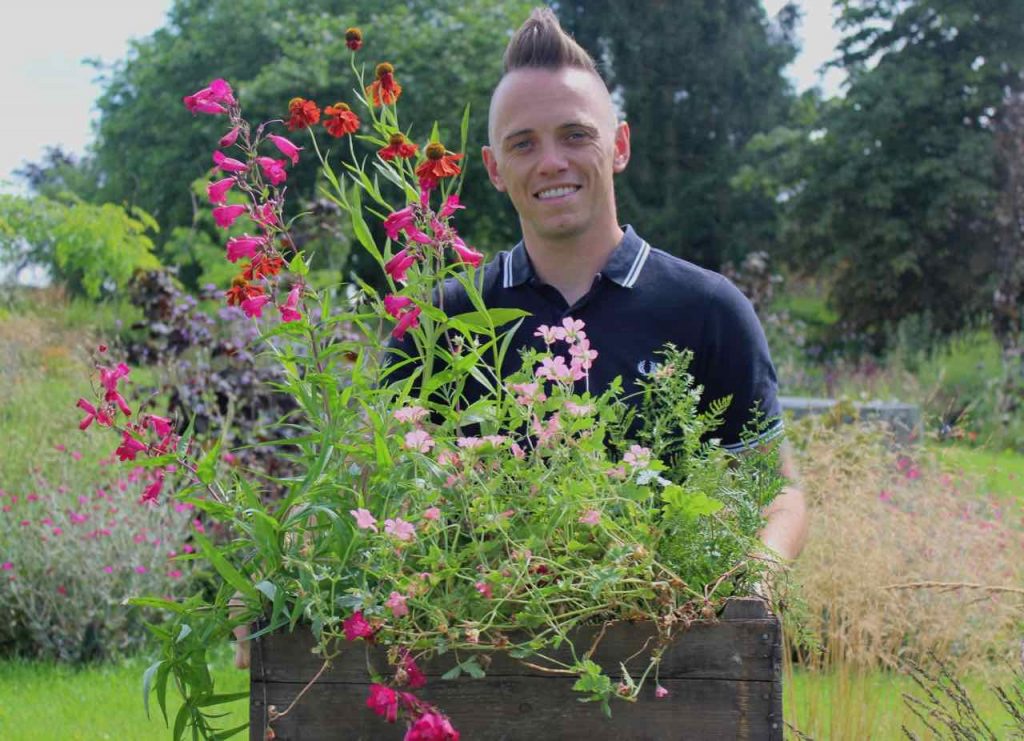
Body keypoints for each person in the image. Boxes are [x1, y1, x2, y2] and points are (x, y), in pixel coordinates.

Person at [234, 6, 808, 670]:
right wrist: (289, 592)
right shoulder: (443, 320)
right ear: (494, 166)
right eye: (524, 142)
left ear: (619, 145)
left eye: (574, 134)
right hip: (479, 671)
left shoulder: (707, 309)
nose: (552, 161)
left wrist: (749, 584)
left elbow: (778, 490)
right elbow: (376, 493)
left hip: (663, 670)